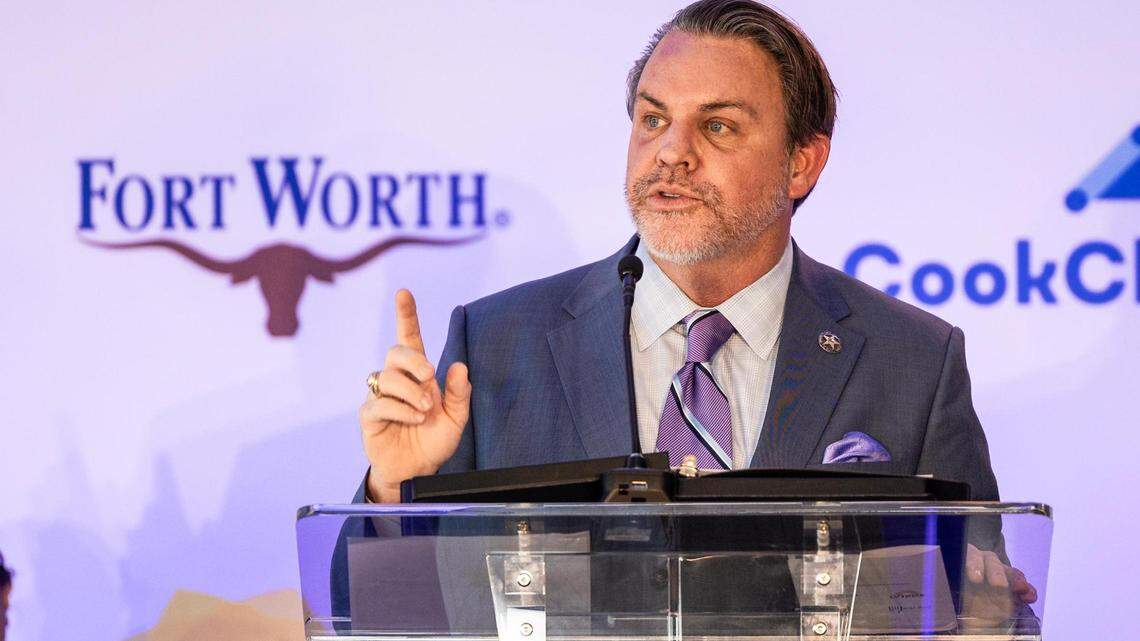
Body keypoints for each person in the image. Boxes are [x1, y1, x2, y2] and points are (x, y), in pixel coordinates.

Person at [349, 0, 1035, 611]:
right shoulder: (498, 342)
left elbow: (986, 600)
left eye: (719, 127)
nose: (671, 153)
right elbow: (370, 610)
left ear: (802, 162)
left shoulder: (912, 359)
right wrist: (393, 491)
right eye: (653, 119)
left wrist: (983, 601)